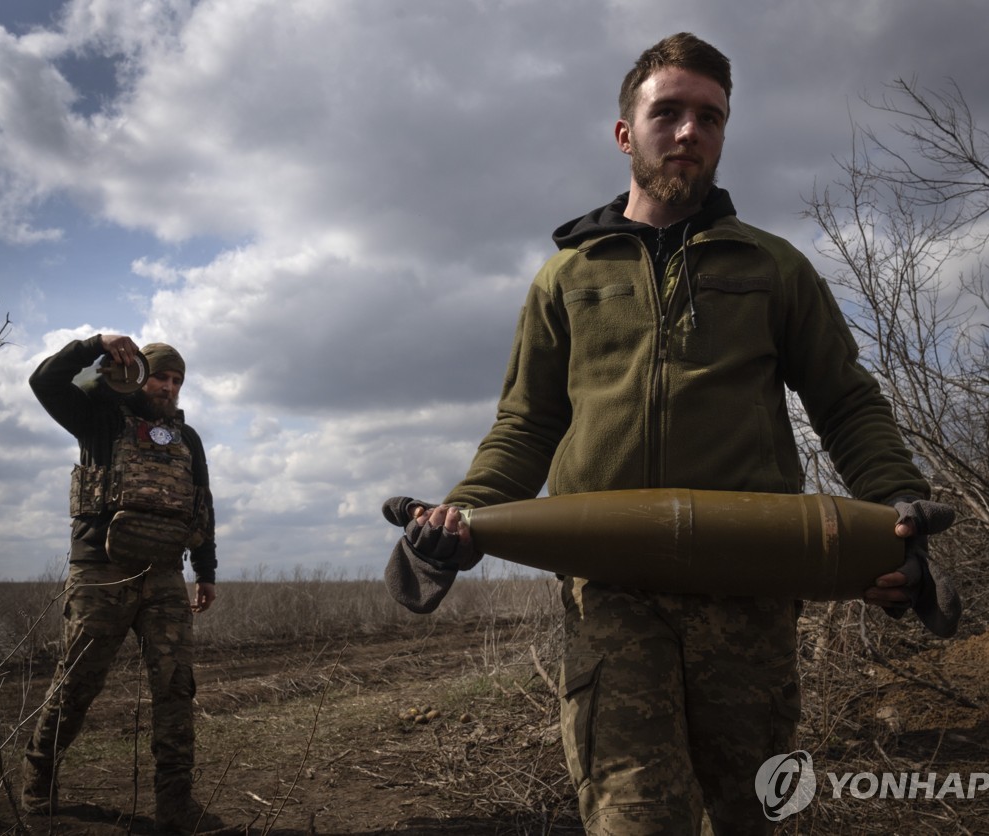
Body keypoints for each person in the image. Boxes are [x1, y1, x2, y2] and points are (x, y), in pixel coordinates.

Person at [384, 32, 960, 835]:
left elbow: (846, 401)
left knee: (752, 815)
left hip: (750, 592)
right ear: (627, 131)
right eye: (669, 112)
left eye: (710, 117)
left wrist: (897, 502)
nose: (690, 131)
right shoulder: (565, 279)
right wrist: (463, 514)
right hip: (611, 596)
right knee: (633, 820)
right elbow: (527, 422)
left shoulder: (775, 268)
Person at [22, 334, 220, 834]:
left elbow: (202, 504)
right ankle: (38, 777)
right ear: (139, 373)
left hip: (165, 574)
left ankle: (175, 804)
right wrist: (95, 346)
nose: (169, 387)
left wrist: (206, 571)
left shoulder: (186, 437)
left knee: (176, 687)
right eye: (160, 376)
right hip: (100, 571)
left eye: (177, 381)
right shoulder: (100, 416)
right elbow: (43, 380)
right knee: (78, 683)